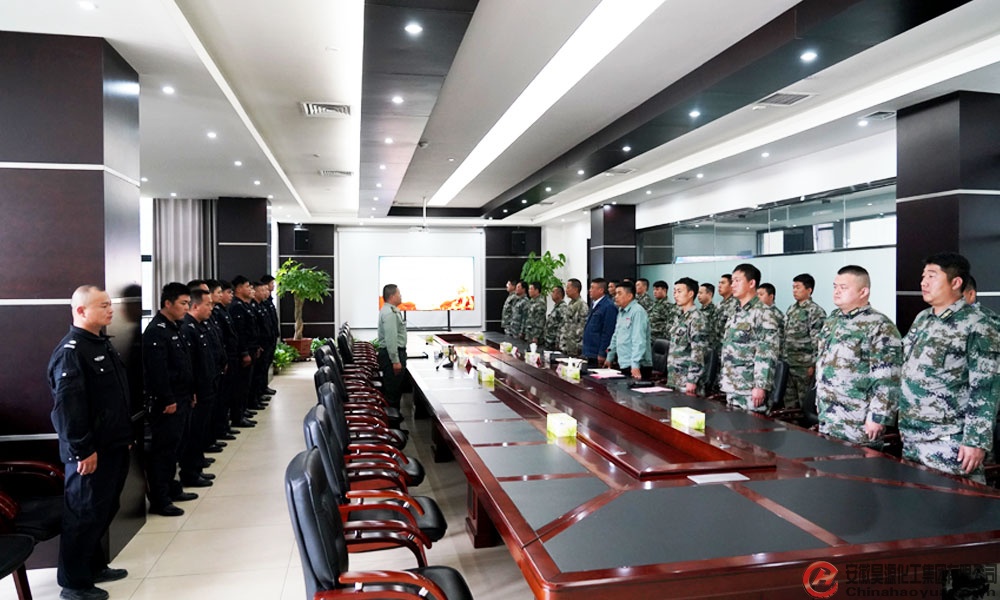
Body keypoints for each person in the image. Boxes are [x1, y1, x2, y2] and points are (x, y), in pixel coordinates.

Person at [48, 286, 132, 600]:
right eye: (103, 305)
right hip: (89, 453)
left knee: (104, 509)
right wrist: (82, 450)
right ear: (81, 311)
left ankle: (94, 567)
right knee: (83, 516)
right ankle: (73, 584)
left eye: (110, 304)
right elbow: (68, 410)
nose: (111, 310)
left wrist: (123, 436)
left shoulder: (100, 343)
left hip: (112, 445)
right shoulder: (71, 351)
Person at [899, 253, 1000, 484]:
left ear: (956, 282)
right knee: (914, 500)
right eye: (923, 276)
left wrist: (975, 441)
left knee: (955, 502)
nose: (923, 282)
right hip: (912, 435)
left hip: (949, 440)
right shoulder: (923, 318)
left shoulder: (979, 324)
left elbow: (986, 388)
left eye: (932, 276)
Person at [815, 266, 901, 446]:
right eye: (835, 287)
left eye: (843, 287)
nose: (837, 292)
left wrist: (878, 417)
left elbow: (888, 377)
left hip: (857, 420)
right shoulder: (833, 320)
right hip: (828, 415)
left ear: (863, 292)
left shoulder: (879, 325)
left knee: (857, 463)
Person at [143, 282, 196, 517]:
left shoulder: (176, 327)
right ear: (167, 303)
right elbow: (158, 371)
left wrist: (190, 391)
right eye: (183, 303)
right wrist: (167, 399)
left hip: (182, 396)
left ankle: (173, 489)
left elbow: (184, 364)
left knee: (176, 447)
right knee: (163, 452)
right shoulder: (156, 331)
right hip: (168, 402)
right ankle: (160, 499)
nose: (187, 308)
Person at [718, 264, 782, 413]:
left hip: (749, 389)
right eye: (732, 281)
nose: (733, 285)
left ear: (751, 283)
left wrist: (760, 386)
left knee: (752, 427)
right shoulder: (735, 312)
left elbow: (767, 352)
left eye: (737, 281)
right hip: (732, 384)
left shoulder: (763, 313)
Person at [177, 289, 217, 488]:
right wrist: (192, 389)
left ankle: (197, 466)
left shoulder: (199, 326)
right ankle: (190, 473)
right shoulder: (187, 328)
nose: (211, 308)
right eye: (207, 304)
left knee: (200, 430)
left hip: (206, 386)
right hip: (197, 391)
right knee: (193, 433)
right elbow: (189, 364)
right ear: (195, 306)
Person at [783, 273, 828, 409]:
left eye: (798, 287)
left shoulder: (815, 311)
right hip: (789, 363)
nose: (794, 290)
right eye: (793, 287)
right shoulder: (791, 309)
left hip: (804, 365)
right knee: (789, 403)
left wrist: (813, 364)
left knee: (805, 403)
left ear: (809, 290)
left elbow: (818, 341)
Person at [667, 278, 712, 394]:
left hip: (688, 380)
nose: (676, 295)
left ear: (691, 293)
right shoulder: (680, 317)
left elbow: (699, 352)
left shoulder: (697, 319)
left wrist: (692, 379)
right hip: (675, 377)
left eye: (679, 291)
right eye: (674, 292)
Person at [228, 276, 259, 429]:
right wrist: (244, 352)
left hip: (251, 348)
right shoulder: (236, 307)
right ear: (239, 288)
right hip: (243, 351)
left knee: (246, 384)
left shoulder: (245, 306)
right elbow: (240, 333)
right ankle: (237, 416)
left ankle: (242, 410)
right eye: (247, 286)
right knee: (240, 385)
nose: (250, 289)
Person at [605, 281, 653, 380]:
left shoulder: (637, 311)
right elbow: (616, 335)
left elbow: (639, 340)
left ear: (629, 296)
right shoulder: (621, 311)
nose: (616, 297)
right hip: (624, 363)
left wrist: (635, 364)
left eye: (619, 293)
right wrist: (609, 357)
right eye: (616, 293)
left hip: (637, 366)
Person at [377, 283, 408, 409]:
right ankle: (392, 420)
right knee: (393, 392)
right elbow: (391, 339)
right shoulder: (390, 313)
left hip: (390, 354)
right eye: (398, 294)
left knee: (394, 389)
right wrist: (395, 360)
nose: (401, 296)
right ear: (392, 296)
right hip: (392, 356)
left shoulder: (388, 310)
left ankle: (394, 418)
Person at [582, 278, 617, 366]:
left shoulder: (608, 306)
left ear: (601, 290)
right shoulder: (594, 304)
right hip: (589, 351)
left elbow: (608, 332)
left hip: (597, 352)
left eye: (592, 288)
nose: (590, 290)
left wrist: (602, 353)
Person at [559, 278, 588, 356]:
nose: (566, 290)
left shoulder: (581, 305)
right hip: (566, 345)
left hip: (574, 347)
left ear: (575, 289)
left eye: (568, 288)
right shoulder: (571, 303)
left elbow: (582, 327)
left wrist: (578, 346)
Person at [757, 282, 785, 356]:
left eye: (761, 294)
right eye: (757, 295)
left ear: (771, 297)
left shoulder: (777, 314)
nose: (758, 297)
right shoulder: (756, 312)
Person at [543, 285, 567, 349]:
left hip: (555, 343)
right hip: (549, 341)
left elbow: (563, 326)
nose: (551, 294)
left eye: (553, 292)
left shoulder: (562, 308)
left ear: (559, 294)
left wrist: (558, 341)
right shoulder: (556, 307)